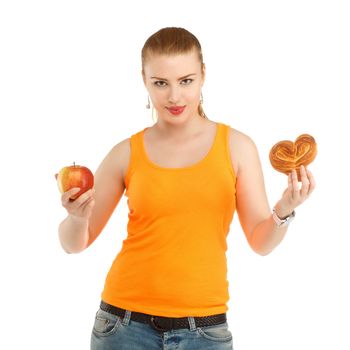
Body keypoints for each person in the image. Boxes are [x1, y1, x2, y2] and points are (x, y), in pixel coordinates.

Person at [57, 27, 316, 350]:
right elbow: (73, 245)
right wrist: (77, 219)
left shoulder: (237, 147)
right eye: (161, 83)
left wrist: (284, 209)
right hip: (123, 327)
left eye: (186, 81)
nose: (174, 96)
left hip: (205, 333)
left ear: (203, 75)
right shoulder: (125, 152)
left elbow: (261, 243)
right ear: (144, 81)